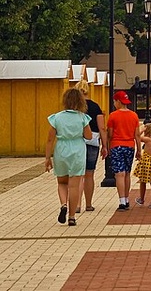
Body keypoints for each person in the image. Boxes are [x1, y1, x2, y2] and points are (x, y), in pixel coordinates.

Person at [44, 87, 93, 227]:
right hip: (77, 150)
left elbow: (49, 140)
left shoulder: (57, 117)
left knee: (62, 183)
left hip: (61, 150)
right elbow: (89, 136)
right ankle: (72, 217)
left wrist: (47, 158)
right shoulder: (82, 117)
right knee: (74, 186)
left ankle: (63, 204)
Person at [106, 90, 140, 211]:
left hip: (116, 146)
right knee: (126, 173)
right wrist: (139, 150)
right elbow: (137, 135)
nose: (114, 103)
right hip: (130, 146)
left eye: (115, 101)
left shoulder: (113, 116)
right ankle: (126, 198)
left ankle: (121, 201)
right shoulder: (134, 115)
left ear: (118, 101)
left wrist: (106, 146)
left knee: (119, 174)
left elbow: (109, 133)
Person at [77, 81, 106, 213]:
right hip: (93, 142)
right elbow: (102, 128)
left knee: (77, 175)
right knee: (89, 174)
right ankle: (88, 204)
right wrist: (105, 146)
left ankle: (77, 205)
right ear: (88, 91)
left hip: (76, 142)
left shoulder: (75, 108)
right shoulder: (95, 107)